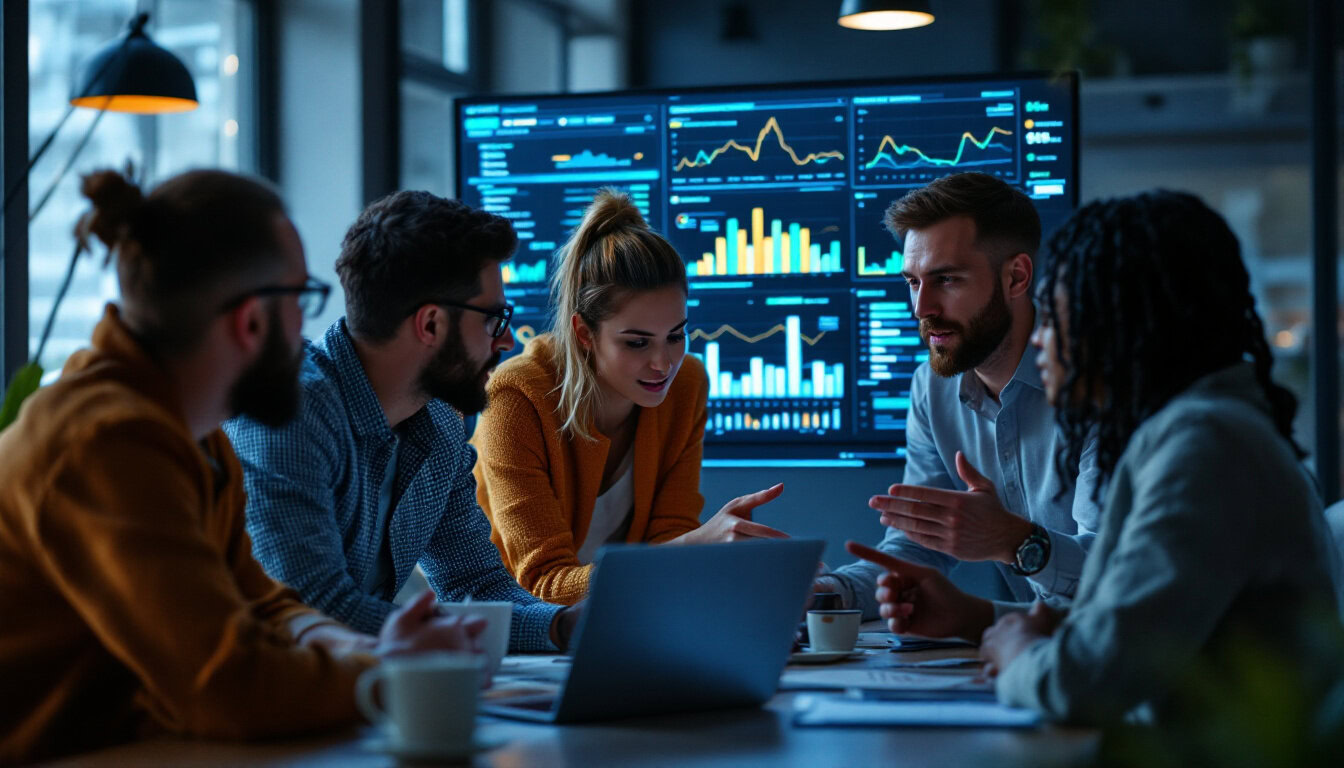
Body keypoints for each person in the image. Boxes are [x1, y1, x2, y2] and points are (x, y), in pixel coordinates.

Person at [0, 169, 483, 764]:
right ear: (251, 320)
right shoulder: (110, 441)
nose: (308, 328)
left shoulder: (193, 435)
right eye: (302, 299)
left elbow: (267, 604)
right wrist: (392, 681)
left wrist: (375, 655)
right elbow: (225, 685)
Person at [854, 190, 1341, 723]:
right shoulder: (1193, 433)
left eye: (1060, 316)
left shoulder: (1204, 448)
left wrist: (1018, 651)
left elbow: (1086, 679)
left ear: (1123, 324)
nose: (1039, 340)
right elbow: (1139, 627)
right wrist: (979, 619)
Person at [225, 190, 579, 652]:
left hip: (350, 690)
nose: (508, 340)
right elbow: (311, 607)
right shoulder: (291, 413)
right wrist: (468, 633)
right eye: (494, 318)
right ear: (430, 324)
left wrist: (566, 626)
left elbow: (477, 584)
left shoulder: (440, 424)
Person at [472, 189, 789, 605]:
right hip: (516, 637)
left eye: (676, 336)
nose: (664, 364)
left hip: (622, 621)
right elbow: (541, 585)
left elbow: (669, 536)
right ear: (585, 333)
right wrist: (694, 550)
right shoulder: (517, 397)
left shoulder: (686, 383)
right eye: (637, 343)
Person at [816, 172, 1100, 627]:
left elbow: (1121, 581)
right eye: (912, 282)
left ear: (1017, 277)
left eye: (945, 280)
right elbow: (914, 548)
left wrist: (1014, 540)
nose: (921, 309)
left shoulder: (1099, 382)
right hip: (1031, 654)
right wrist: (831, 593)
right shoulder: (932, 387)